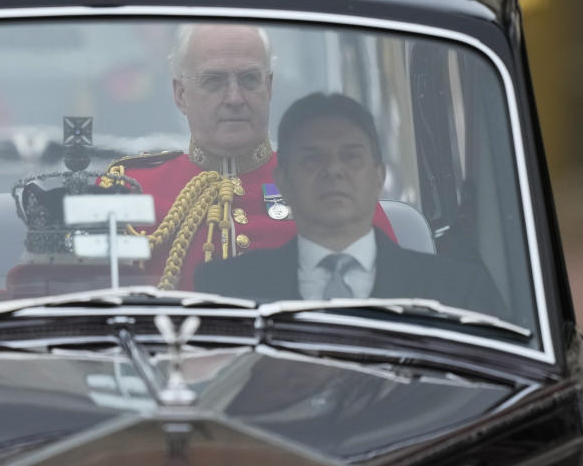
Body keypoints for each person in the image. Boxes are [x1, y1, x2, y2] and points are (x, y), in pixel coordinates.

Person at [100, 24, 395, 291]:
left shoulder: (336, 187)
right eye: (213, 81)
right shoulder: (126, 191)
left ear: (268, 87)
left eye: (249, 79)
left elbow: (397, 301)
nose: (234, 98)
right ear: (180, 94)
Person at [194, 93, 504, 315]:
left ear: (378, 176)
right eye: (313, 158)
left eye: (351, 156)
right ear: (284, 183)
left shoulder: (458, 293)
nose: (333, 170)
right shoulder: (225, 291)